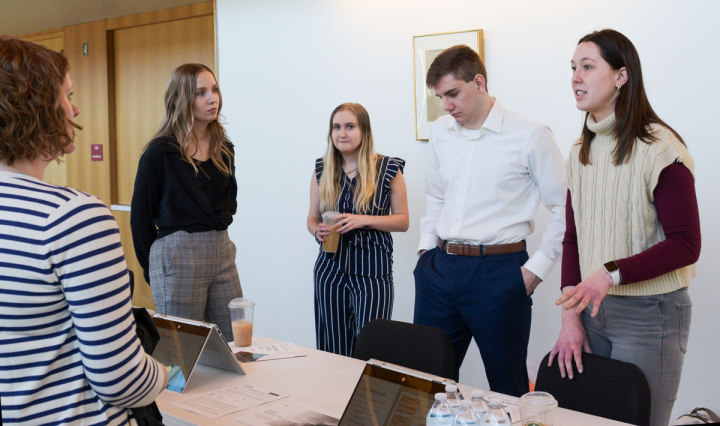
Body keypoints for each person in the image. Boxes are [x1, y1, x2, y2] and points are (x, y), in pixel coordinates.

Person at [0, 36, 167, 424]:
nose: (75, 109)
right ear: (37, 106)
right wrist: (167, 375)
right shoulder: (73, 217)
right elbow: (120, 380)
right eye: (67, 96)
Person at [549, 29, 700, 426]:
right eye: (573, 68)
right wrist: (570, 318)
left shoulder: (661, 148)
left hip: (651, 316)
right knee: (590, 420)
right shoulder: (580, 151)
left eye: (588, 67)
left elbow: (686, 244)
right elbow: (573, 238)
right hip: (592, 311)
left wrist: (610, 274)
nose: (576, 78)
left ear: (621, 76)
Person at [414, 45, 567, 396]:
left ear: (479, 82)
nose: (446, 105)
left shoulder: (530, 135)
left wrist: (536, 270)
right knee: (423, 382)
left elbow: (563, 208)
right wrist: (425, 253)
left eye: (453, 93)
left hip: (499, 273)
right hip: (439, 269)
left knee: (506, 385)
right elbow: (436, 196)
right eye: (440, 97)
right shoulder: (441, 132)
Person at [131, 63, 242, 339]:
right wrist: (154, 270)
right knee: (182, 349)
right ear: (181, 99)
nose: (212, 98)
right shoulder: (159, 152)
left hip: (221, 251)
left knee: (234, 341)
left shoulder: (224, 148)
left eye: (214, 90)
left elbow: (227, 207)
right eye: (200, 93)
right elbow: (140, 220)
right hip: (177, 256)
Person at [307, 103, 409, 356]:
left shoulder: (388, 168)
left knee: (372, 349)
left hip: (373, 272)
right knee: (333, 351)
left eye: (350, 126)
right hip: (330, 271)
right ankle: (335, 396)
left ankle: (369, 397)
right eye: (336, 127)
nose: (342, 133)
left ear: (364, 130)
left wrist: (361, 219)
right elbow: (311, 217)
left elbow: (403, 221)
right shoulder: (322, 169)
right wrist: (316, 230)